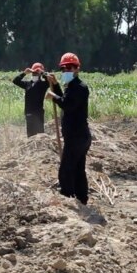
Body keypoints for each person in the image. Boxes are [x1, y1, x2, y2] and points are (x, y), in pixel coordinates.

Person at [45, 52, 91, 205]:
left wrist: (53, 96)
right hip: (76, 136)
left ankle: (67, 196)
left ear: (77, 69)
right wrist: (56, 85)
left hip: (77, 137)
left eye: (69, 68)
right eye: (64, 69)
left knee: (66, 169)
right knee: (78, 168)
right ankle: (81, 198)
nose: (66, 72)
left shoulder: (79, 87)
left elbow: (68, 105)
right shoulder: (71, 86)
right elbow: (65, 100)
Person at [12, 62, 50, 137]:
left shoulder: (43, 84)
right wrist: (24, 73)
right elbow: (15, 81)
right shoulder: (27, 84)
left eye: (36, 73)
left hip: (38, 114)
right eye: (33, 73)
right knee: (30, 136)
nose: (35, 74)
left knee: (40, 135)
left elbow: (49, 80)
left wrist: (42, 73)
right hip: (29, 113)